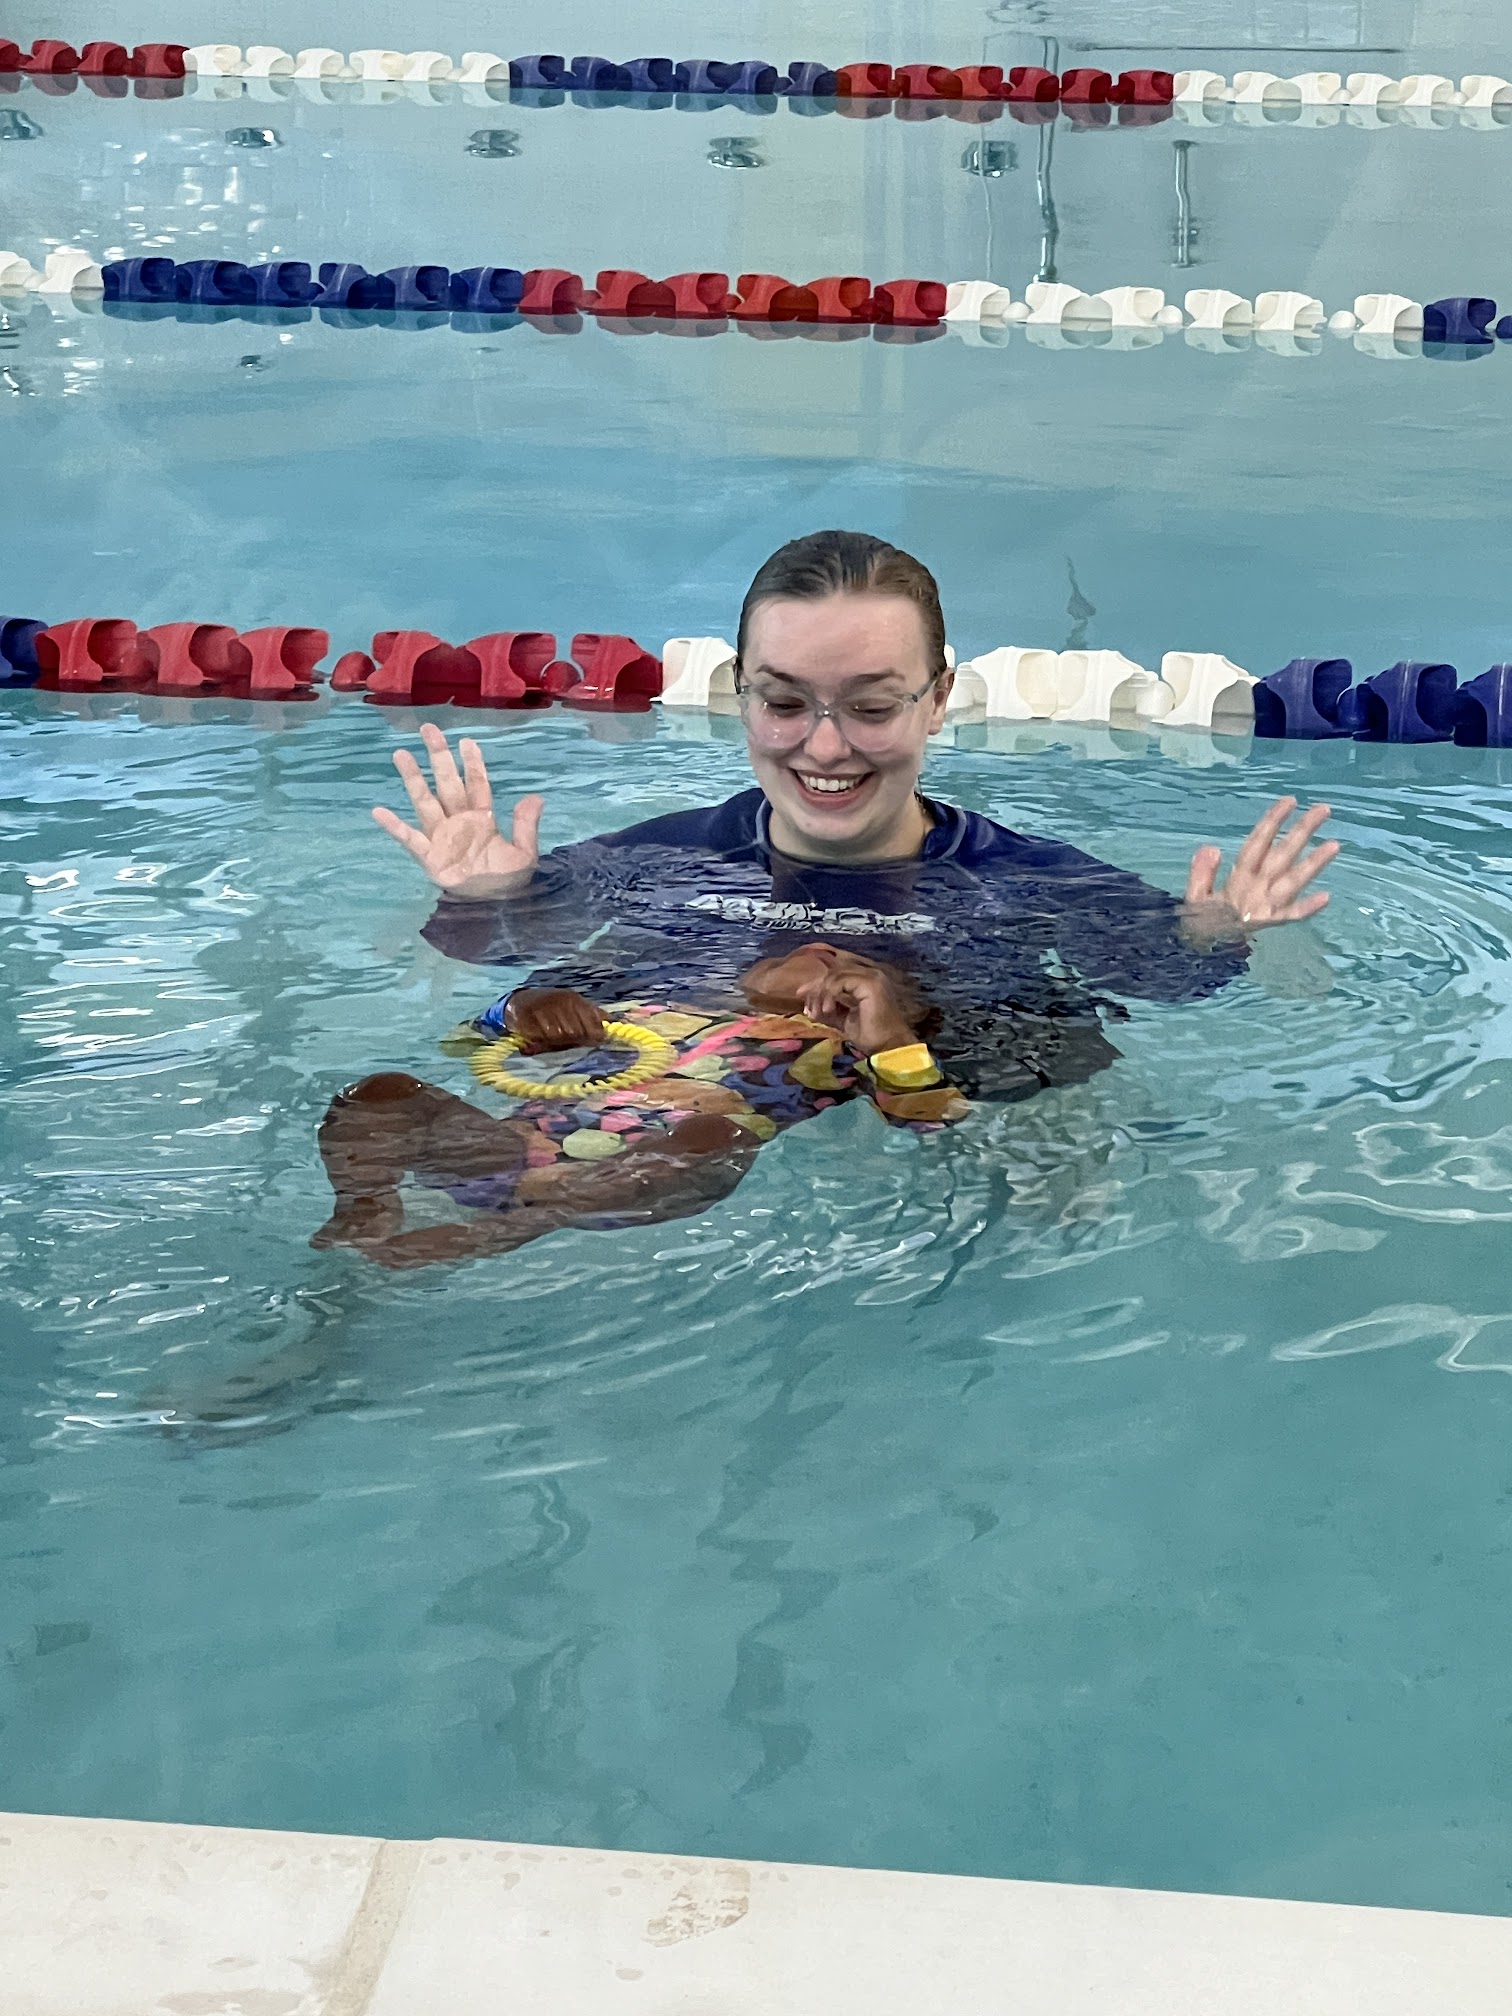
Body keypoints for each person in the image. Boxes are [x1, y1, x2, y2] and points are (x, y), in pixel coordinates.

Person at [372, 530, 1337, 1102]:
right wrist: (484, 901)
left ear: (939, 699)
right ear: (740, 694)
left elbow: (1179, 989)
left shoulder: (1034, 883)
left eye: (872, 706)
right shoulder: (652, 861)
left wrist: (1227, 936)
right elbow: (471, 986)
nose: (825, 747)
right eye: (785, 701)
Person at [312, 943, 968, 1269]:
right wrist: (521, 1009)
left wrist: (891, 1039)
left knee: (718, 1137)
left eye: (860, 971)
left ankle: (519, 1225)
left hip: (632, 1173)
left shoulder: (849, 1052)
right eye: (825, 950)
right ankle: (365, 1203)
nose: (830, 957)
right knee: (383, 1092)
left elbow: (930, 1119)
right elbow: (466, 1045)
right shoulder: (649, 1008)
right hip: (506, 1148)